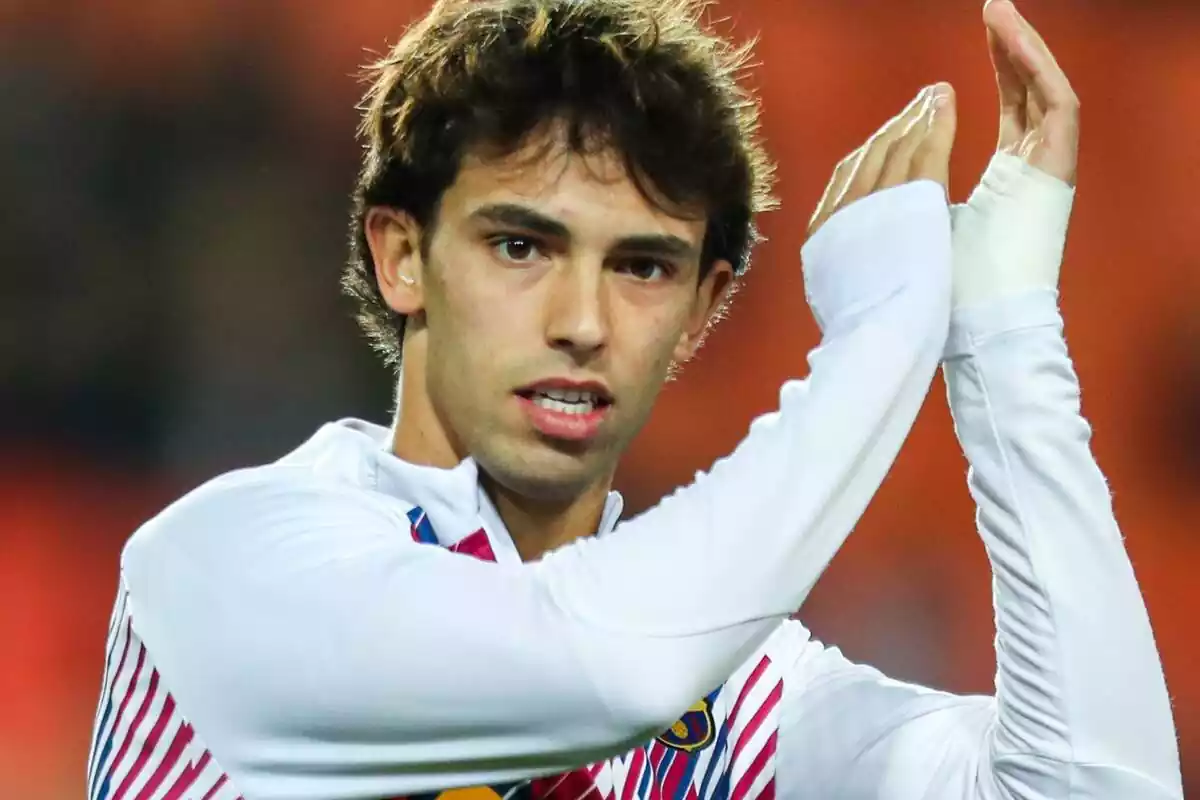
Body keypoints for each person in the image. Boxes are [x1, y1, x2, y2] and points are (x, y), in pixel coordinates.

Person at [85, 0, 1182, 798]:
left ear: (705, 307)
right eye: (522, 244)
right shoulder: (229, 563)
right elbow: (600, 665)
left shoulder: (733, 695)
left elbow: (1098, 787)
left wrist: (1001, 332)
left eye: (644, 265)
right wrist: (881, 335)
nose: (583, 319)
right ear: (401, 255)